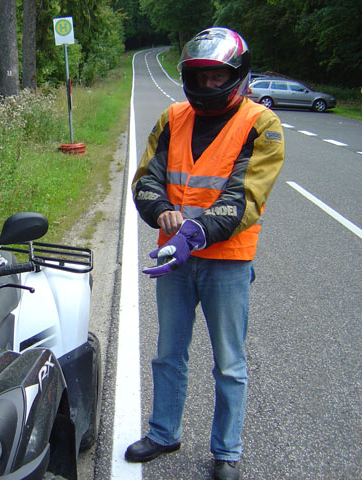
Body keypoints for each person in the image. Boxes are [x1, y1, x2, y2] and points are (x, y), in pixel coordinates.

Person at [125, 27, 285, 480]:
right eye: (200, 77)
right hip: (174, 259)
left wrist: (192, 229)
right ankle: (163, 433)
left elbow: (244, 198)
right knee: (167, 353)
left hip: (228, 261)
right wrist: (160, 213)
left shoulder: (261, 124)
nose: (209, 85)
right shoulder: (172, 117)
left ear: (236, 76)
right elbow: (146, 178)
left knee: (229, 362)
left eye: (218, 77)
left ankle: (227, 451)